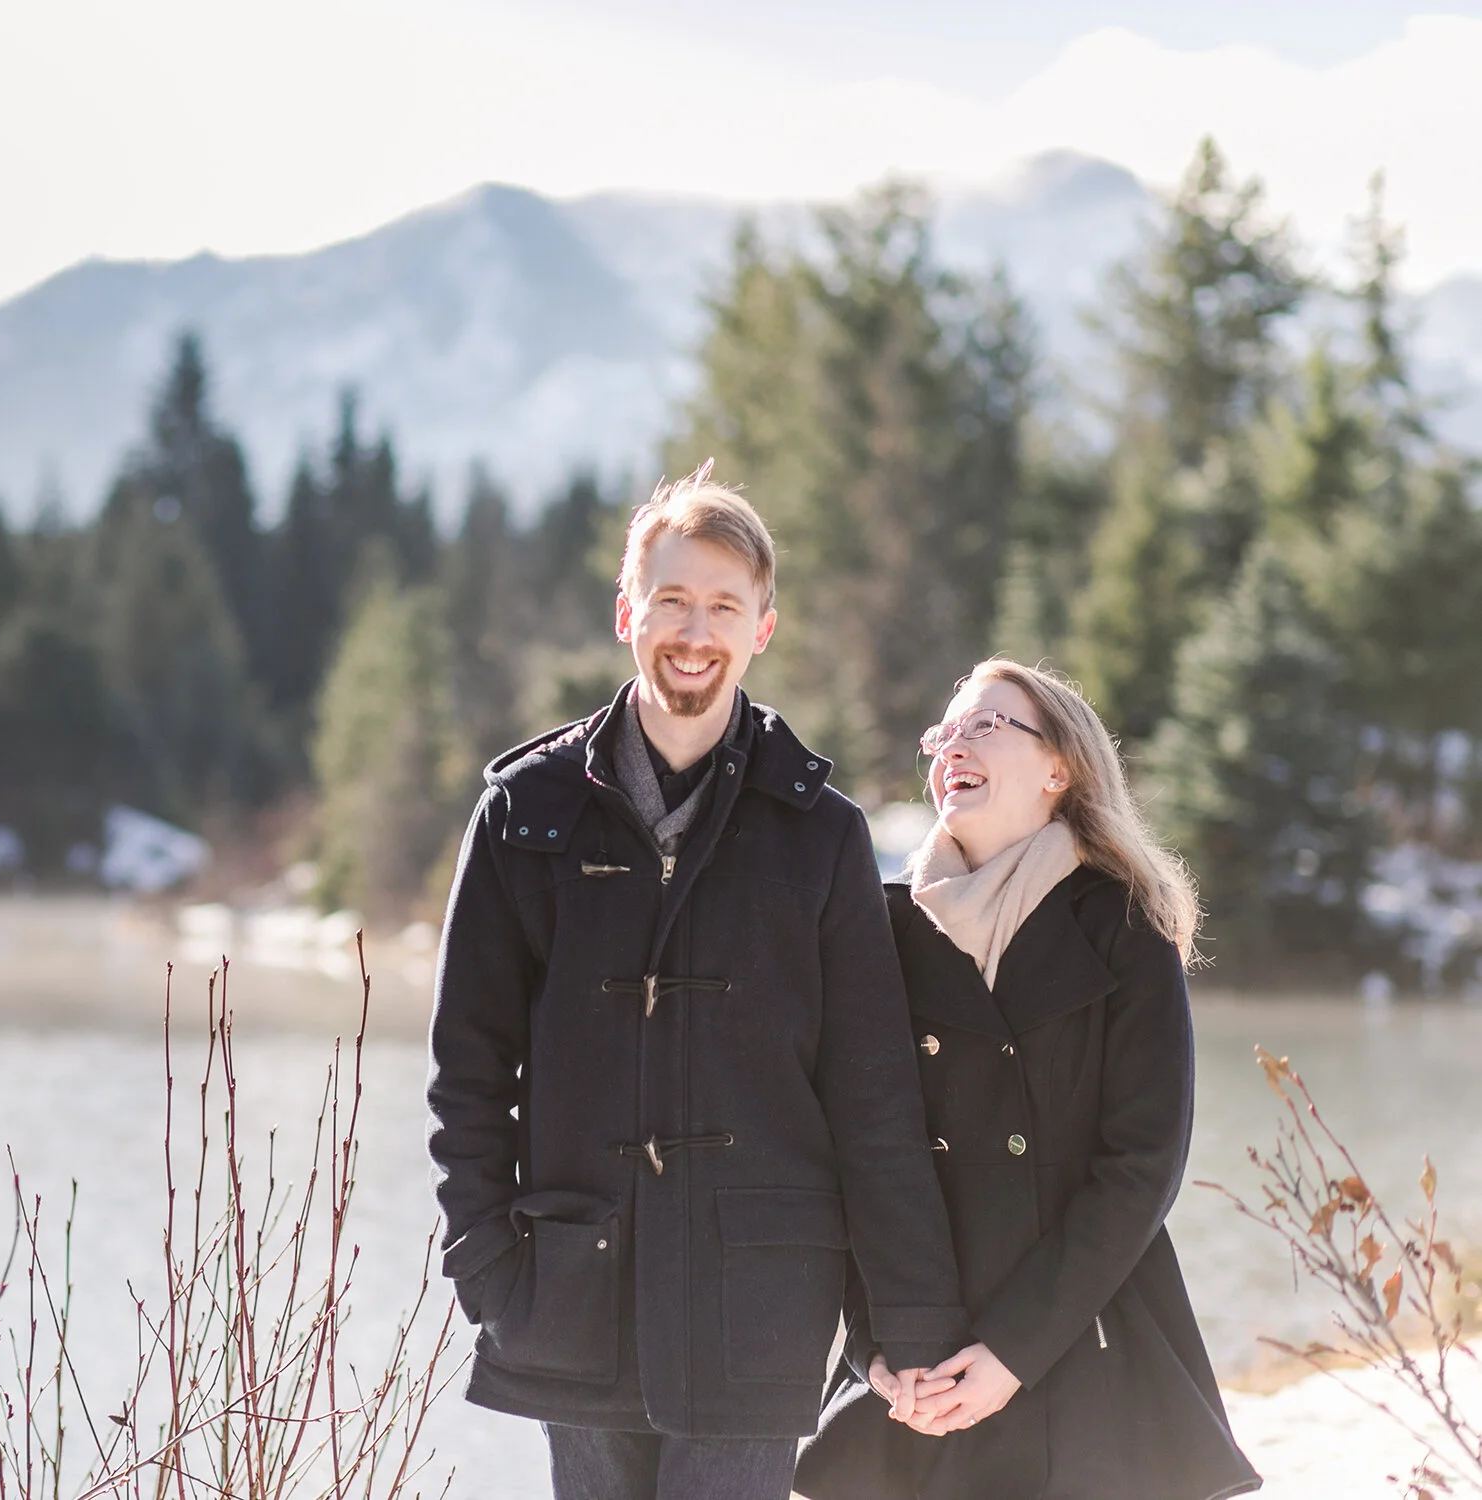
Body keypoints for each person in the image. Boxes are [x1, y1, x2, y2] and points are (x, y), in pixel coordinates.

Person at [427, 463, 967, 1500]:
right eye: (672, 599)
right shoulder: (525, 816)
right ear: (629, 611)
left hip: (758, 1299)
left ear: (763, 628)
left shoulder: (823, 835)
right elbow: (467, 1072)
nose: (694, 630)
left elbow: (874, 1095)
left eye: (724, 605)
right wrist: (487, 1269)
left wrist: (906, 1318)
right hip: (569, 1289)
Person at [795, 659, 1261, 1500]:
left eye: (984, 725)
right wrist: (877, 1348)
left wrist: (1011, 1354)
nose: (952, 746)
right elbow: (856, 1158)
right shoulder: (881, 930)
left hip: (1084, 1341)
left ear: (1060, 769)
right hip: (922, 1359)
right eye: (944, 732)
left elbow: (1141, 1165)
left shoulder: (1124, 924)